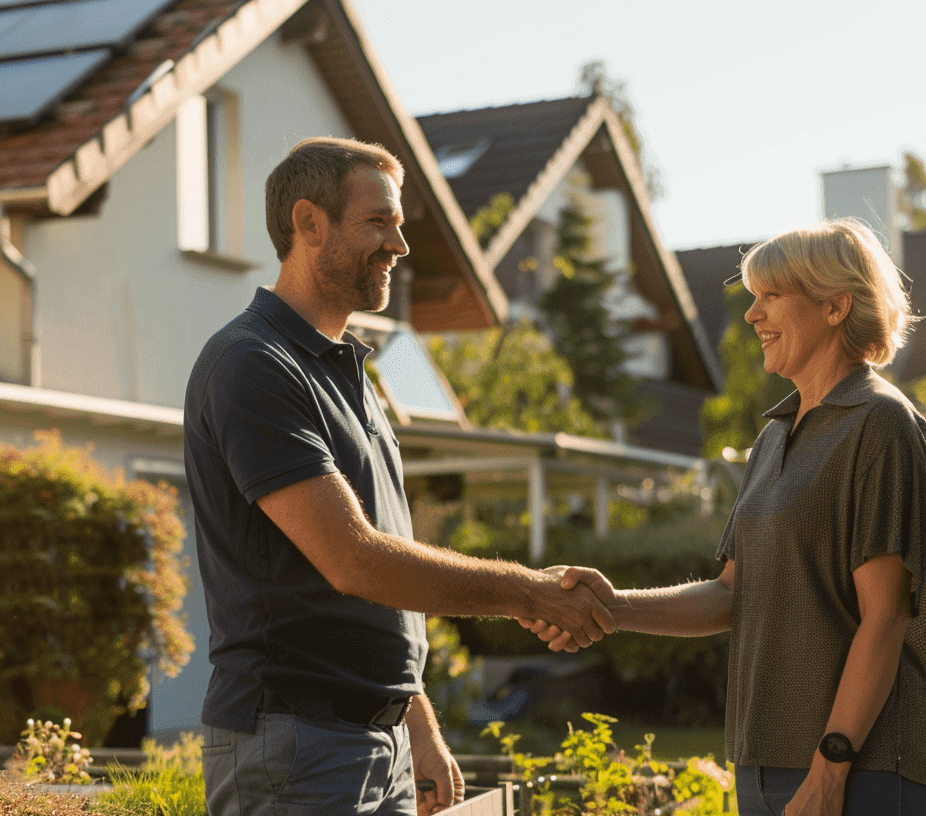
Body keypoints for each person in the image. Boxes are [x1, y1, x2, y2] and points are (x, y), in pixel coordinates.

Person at [184, 136, 616, 816]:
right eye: (378, 222)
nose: (400, 245)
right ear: (308, 223)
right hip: (294, 746)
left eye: (399, 224)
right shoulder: (253, 365)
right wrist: (529, 594)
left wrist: (415, 724)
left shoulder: (351, 375)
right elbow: (353, 560)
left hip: (367, 741)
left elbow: (382, 572)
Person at [528, 219, 926, 815]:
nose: (752, 315)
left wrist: (830, 772)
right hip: (765, 763)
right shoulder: (774, 438)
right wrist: (612, 606)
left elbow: (884, 617)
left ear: (835, 306)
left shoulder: (880, 423)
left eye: (771, 296)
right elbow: (733, 594)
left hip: (863, 769)